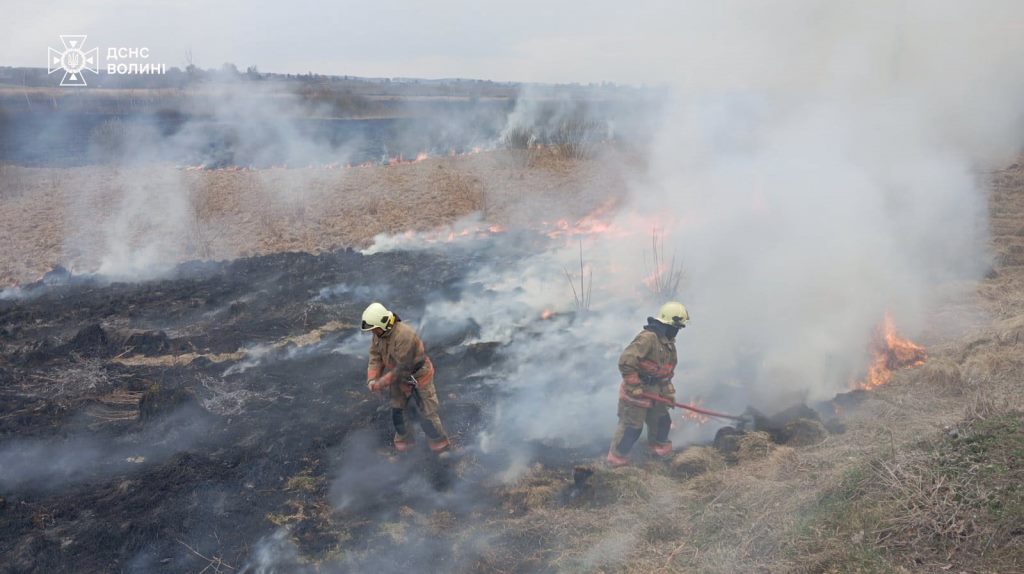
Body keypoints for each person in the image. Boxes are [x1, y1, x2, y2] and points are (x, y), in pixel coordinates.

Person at [607, 301, 689, 467]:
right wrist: (634, 386)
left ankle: (659, 453)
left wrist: (668, 393)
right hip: (637, 391)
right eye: (676, 327)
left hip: (656, 391)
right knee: (632, 428)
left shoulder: (669, 345)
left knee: (662, 421)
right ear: (667, 324)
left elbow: (667, 372)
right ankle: (617, 460)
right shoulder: (648, 338)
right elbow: (626, 361)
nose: (677, 331)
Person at [361, 302, 450, 454]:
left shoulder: (404, 335)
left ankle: (440, 446)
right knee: (399, 413)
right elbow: (375, 357)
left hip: (418, 377)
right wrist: (372, 379)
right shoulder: (379, 335)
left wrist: (381, 383)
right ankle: (405, 446)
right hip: (396, 379)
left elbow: (404, 367)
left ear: (383, 323)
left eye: (373, 329)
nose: (372, 332)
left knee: (426, 414)